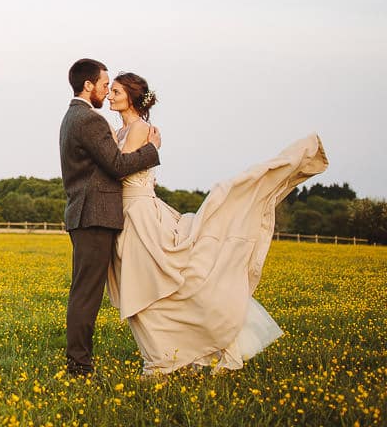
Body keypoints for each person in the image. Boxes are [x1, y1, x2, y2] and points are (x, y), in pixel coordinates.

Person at [104, 72, 328, 375]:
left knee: (155, 285)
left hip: (140, 213)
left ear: (130, 96)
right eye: (110, 90)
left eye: (115, 91)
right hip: (130, 211)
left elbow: (120, 170)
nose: (110, 95)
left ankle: (173, 357)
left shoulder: (139, 129)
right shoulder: (122, 132)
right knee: (149, 287)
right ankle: (171, 355)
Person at [59, 58, 161, 377]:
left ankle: (79, 362)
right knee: (87, 294)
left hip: (88, 214)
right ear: (88, 86)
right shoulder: (89, 120)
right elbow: (117, 165)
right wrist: (152, 149)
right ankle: (80, 366)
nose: (107, 90)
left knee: (84, 291)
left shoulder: (74, 116)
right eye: (104, 84)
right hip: (94, 215)